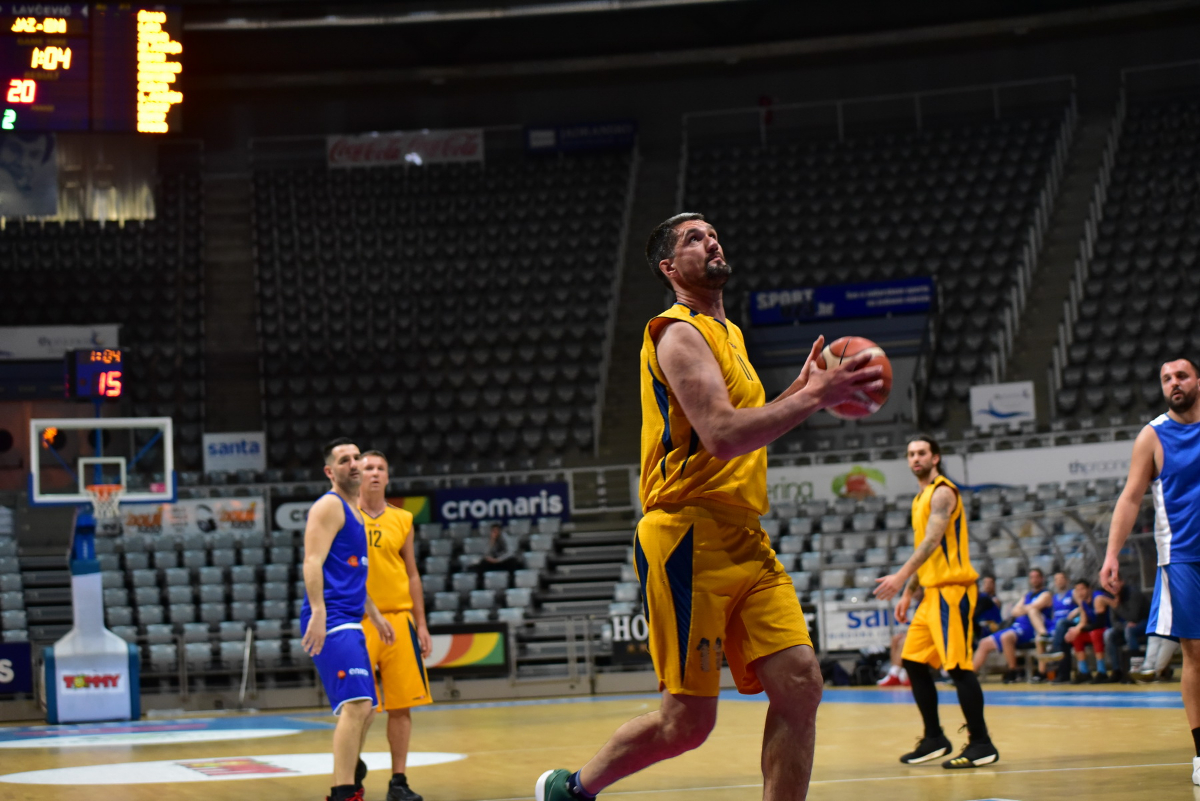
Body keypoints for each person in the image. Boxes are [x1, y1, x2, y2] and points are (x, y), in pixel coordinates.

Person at [535, 212, 883, 801]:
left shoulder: (731, 335)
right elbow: (721, 435)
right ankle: (570, 790)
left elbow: (743, 425)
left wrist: (803, 391)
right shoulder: (676, 333)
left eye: (713, 233)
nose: (711, 240)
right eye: (694, 238)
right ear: (670, 267)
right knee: (688, 725)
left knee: (801, 685)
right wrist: (813, 399)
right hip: (686, 534)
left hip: (745, 535)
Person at [1101, 357, 1200, 784]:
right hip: (1182, 556)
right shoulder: (1153, 435)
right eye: (1166, 379)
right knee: (1195, 654)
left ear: (1197, 381)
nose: (1174, 383)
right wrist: (1111, 555)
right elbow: (1129, 498)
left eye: (1181, 376)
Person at [874, 435, 998, 769]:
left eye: (922, 453)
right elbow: (925, 552)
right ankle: (934, 738)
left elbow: (932, 541)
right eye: (911, 454)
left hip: (952, 591)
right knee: (913, 662)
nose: (915, 458)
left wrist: (900, 577)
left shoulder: (943, 492)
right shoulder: (920, 498)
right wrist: (909, 592)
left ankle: (982, 743)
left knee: (957, 667)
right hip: (931, 594)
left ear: (935, 458)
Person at [302, 437, 395, 801]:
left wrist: (375, 614)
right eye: (344, 460)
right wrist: (318, 611)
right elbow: (312, 561)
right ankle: (344, 792)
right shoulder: (329, 506)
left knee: (367, 709)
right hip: (333, 618)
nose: (354, 464)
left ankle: (347, 780)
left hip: (351, 618)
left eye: (357, 457)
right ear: (330, 471)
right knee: (357, 706)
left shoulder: (355, 511)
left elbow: (353, 574)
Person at [359, 450, 433, 801]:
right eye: (368, 468)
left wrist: (422, 624)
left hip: (399, 618)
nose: (374, 473)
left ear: (388, 476)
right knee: (359, 706)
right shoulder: (344, 516)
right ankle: (351, 771)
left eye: (380, 468)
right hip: (358, 620)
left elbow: (412, 573)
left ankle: (398, 782)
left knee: (401, 706)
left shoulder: (402, 519)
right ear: (357, 475)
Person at [972, 568, 1050, 683]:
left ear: (1042, 578)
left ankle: (1013, 671)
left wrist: (1023, 609)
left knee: (1006, 637)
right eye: (1032, 577)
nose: (1034, 580)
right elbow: (1014, 611)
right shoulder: (1027, 595)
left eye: (1036, 577)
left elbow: (1034, 607)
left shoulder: (1046, 594)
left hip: (1030, 628)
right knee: (984, 643)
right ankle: (970, 675)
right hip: (1016, 627)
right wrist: (1027, 608)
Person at [1065, 578, 1115, 683]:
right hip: (1095, 630)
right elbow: (1083, 622)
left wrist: (1079, 629)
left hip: (1107, 628)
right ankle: (1084, 672)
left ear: (1089, 589)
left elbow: (1100, 623)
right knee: (1077, 636)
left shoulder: (1098, 598)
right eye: (1077, 590)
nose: (1080, 592)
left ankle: (1102, 671)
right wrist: (1073, 631)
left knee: (1094, 633)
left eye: (1082, 589)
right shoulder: (1083, 603)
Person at [1034, 571, 1078, 683]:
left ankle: (1053, 651)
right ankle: (1042, 673)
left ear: (1067, 580)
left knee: (1061, 624)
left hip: (1069, 623)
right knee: (1040, 638)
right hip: (1056, 627)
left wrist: (1075, 611)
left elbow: (1083, 605)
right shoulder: (1053, 598)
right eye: (1056, 579)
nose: (1059, 581)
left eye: (1061, 578)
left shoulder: (1073, 593)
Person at [1105, 574, 1150, 683]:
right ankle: (1117, 671)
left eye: (1115, 581)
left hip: (1146, 623)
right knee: (1109, 634)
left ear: (1122, 582)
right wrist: (1124, 625)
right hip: (1127, 626)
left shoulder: (1133, 594)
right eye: (1110, 584)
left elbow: (1134, 617)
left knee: (1129, 631)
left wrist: (1117, 607)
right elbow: (1114, 622)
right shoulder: (1112, 596)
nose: (1113, 585)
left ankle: (1136, 668)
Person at [973, 574, 1003, 645]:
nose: (987, 585)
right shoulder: (980, 598)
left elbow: (973, 615)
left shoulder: (984, 598)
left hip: (993, 628)